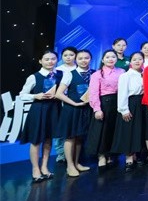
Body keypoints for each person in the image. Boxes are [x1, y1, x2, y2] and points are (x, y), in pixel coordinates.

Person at [19, 50, 62, 182]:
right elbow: (22, 95)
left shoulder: (60, 75)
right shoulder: (34, 77)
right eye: (46, 59)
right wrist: (35, 96)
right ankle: (35, 169)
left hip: (53, 109)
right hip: (38, 110)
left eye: (53, 59)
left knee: (48, 139)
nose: (50, 62)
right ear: (40, 61)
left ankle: (44, 167)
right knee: (36, 140)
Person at [54, 49, 93, 177]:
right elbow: (59, 94)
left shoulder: (94, 73)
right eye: (80, 58)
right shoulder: (69, 74)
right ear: (76, 60)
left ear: (90, 59)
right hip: (72, 110)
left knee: (80, 137)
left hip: (86, 110)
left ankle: (77, 163)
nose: (83, 60)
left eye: (86, 58)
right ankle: (69, 166)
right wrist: (74, 103)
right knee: (70, 137)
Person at [85, 50, 123, 169]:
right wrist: (97, 109)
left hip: (118, 103)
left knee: (113, 130)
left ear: (116, 59)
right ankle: (101, 155)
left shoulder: (122, 72)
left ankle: (111, 154)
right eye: (107, 57)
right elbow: (93, 93)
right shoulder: (97, 74)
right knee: (102, 131)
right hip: (104, 104)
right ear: (102, 60)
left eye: (113, 57)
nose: (110, 59)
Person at [111, 51, 146, 171]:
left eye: (140, 59)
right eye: (134, 59)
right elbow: (122, 93)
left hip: (142, 103)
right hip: (131, 103)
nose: (137, 61)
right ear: (130, 62)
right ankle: (129, 156)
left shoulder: (144, 74)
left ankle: (137, 154)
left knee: (139, 130)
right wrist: (124, 110)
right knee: (128, 130)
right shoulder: (125, 76)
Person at [54, 46, 77, 164]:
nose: (68, 57)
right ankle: (60, 153)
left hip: (76, 102)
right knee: (60, 128)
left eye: (71, 55)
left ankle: (75, 154)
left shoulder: (79, 69)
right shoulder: (57, 70)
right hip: (59, 102)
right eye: (65, 55)